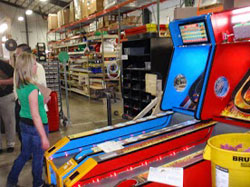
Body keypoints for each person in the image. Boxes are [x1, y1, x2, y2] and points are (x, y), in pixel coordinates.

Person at [7, 53, 50, 187]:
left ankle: (11, 180)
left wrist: (41, 99)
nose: (37, 66)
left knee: (25, 154)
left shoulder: (21, 85)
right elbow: (36, 115)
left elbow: (25, 103)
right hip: (37, 127)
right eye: (34, 64)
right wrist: (43, 137)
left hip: (24, 124)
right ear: (28, 67)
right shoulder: (32, 89)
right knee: (38, 157)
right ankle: (38, 183)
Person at [13, 44, 47, 149]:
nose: (16, 56)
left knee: (36, 132)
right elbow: (15, 85)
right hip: (21, 102)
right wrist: (18, 98)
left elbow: (41, 86)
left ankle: (36, 152)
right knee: (21, 130)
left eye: (18, 54)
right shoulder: (17, 68)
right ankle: (28, 151)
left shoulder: (38, 67)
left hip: (33, 103)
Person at [0, 59, 15, 153]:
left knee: (9, 121)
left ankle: (11, 143)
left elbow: (15, 79)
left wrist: (1, 82)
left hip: (6, 96)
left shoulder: (4, 65)